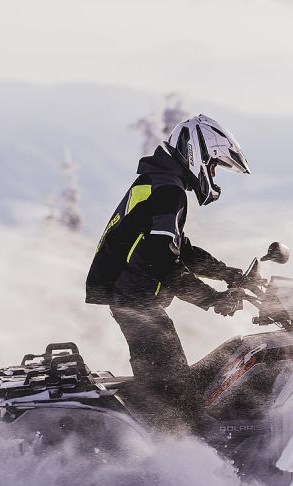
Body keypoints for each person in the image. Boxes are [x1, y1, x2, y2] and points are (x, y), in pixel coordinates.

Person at [86, 114, 251, 429]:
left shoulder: (161, 182)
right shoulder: (167, 189)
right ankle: (170, 449)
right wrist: (212, 299)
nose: (214, 175)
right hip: (135, 301)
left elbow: (180, 248)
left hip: (131, 297)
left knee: (167, 378)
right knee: (173, 389)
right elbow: (162, 262)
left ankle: (163, 435)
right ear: (199, 154)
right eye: (214, 166)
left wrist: (227, 273)